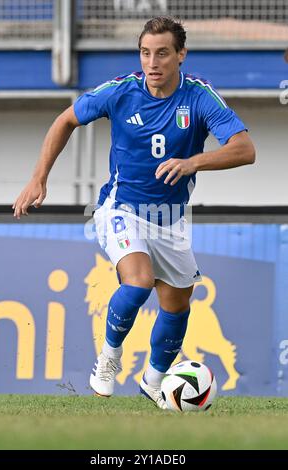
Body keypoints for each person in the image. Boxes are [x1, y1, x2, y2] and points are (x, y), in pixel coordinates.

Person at [13, 16, 255, 409]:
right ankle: (108, 360)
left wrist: (194, 161)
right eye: (145, 53)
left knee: (177, 306)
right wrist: (39, 178)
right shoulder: (121, 92)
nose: (152, 62)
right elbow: (66, 120)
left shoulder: (199, 97)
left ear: (181, 55)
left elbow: (245, 149)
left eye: (162, 53)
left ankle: (154, 385)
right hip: (119, 208)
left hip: (170, 220)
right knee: (139, 282)